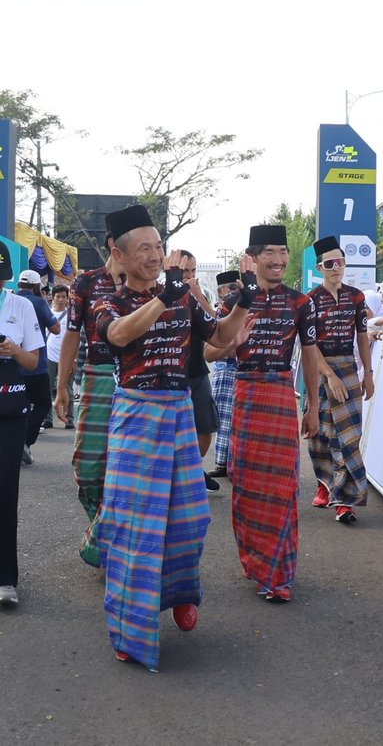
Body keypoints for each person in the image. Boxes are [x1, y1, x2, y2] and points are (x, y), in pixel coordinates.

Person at [92, 204, 258, 672]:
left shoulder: (182, 298)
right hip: (136, 418)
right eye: (144, 248)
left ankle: (181, 594)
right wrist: (163, 297)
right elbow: (120, 336)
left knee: (188, 521)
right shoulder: (111, 299)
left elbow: (221, 337)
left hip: (179, 414)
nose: (154, 255)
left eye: (158, 246)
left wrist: (243, 301)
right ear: (119, 254)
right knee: (134, 532)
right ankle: (130, 630)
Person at [205, 224, 319, 603]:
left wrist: (313, 406)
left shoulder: (300, 302)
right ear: (253, 258)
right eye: (270, 252)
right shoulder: (235, 301)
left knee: (283, 486)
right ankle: (255, 561)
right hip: (246, 394)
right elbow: (209, 352)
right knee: (248, 487)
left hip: (281, 395)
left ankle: (278, 574)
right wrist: (231, 341)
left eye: (283, 252)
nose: (279, 259)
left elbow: (310, 356)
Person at [53, 228, 125, 567]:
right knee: (88, 468)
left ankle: (112, 546)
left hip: (139, 383)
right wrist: (61, 386)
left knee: (127, 473)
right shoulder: (85, 284)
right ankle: (103, 531)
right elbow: (71, 335)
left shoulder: (152, 287)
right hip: (97, 378)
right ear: (114, 244)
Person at [307, 236, 374, 524]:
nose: (337, 268)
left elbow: (362, 336)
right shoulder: (309, 300)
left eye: (341, 262)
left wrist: (367, 374)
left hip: (348, 368)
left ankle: (344, 501)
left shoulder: (356, 296)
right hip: (319, 371)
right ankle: (324, 483)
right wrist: (328, 374)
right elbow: (308, 344)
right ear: (320, 267)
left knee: (347, 437)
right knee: (321, 435)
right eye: (330, 264)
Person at [0, 242, 44, 606]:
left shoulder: (21, 306)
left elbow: (33, 363)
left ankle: (5, 579)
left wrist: (13, 350)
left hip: (9, 410)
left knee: (5, 494)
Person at [179, 250, 221, 493]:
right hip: (169, 376)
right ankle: (185, 475)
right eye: (185, 271)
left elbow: (217, 324)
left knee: (206, 429)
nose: (190, 276)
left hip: (197, 370)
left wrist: (197, 295)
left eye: (193, 270)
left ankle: (193, 469)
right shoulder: (161, 295)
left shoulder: (200, 294)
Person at [16, 269, 60, 464]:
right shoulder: (38, 302)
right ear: (35, 286)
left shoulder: (9, 300)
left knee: (17, 406)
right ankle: (25, 441)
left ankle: (14, 442)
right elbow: (56, 328)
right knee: (42, 403)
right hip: (35, 364)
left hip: (12, 365)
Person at [206, 270, 240, 478]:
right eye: (232, 288)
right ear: (221, 291)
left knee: (236, 419)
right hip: (225, 366)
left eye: (237, 288)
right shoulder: (223, 309)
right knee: (224, 418)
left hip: (238, 367)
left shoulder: (240, 306)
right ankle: (222, 462)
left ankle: (231, 462)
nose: (235, 292)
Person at [46, 285, 75, 430]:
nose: (61, 299)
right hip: (49, 356)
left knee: (68, 389)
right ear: (53, 297)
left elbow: (76, 339)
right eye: (58, 296)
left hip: (67, 358)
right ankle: (48, 419)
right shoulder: (47, 314)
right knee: (47, 388)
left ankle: (69, 419)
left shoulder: (72, 315)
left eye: (64, 296)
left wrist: (74, 360)